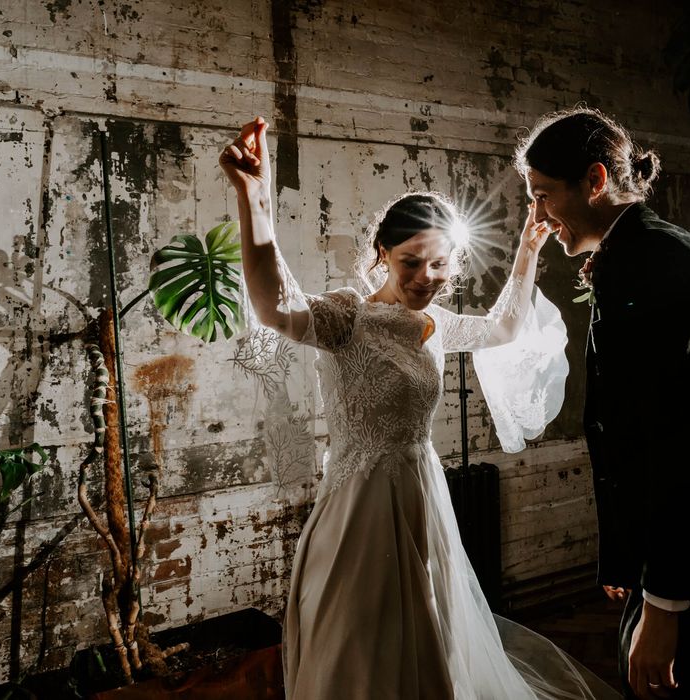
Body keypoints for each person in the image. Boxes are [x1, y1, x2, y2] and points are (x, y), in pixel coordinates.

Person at [220, 116, 619, 699]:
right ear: (382, 253)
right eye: (412, 262)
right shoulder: (346, 319)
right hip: (360, 507)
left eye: (440, 264)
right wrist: (253, 198)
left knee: (427, 640)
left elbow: (505, 327)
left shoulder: (434, 324)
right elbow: (276, 307)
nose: (427, 278)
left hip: (421, 492)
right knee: (359, 643)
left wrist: (529, 250)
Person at [514, 107, 690, 700]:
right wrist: (624, 557)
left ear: (594, 180)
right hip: (667, 558)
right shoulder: (640, 254)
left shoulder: (657, 266)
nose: (537, 216)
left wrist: (663, 607)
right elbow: (630, 427)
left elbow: (689, 445)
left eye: (542, 194)